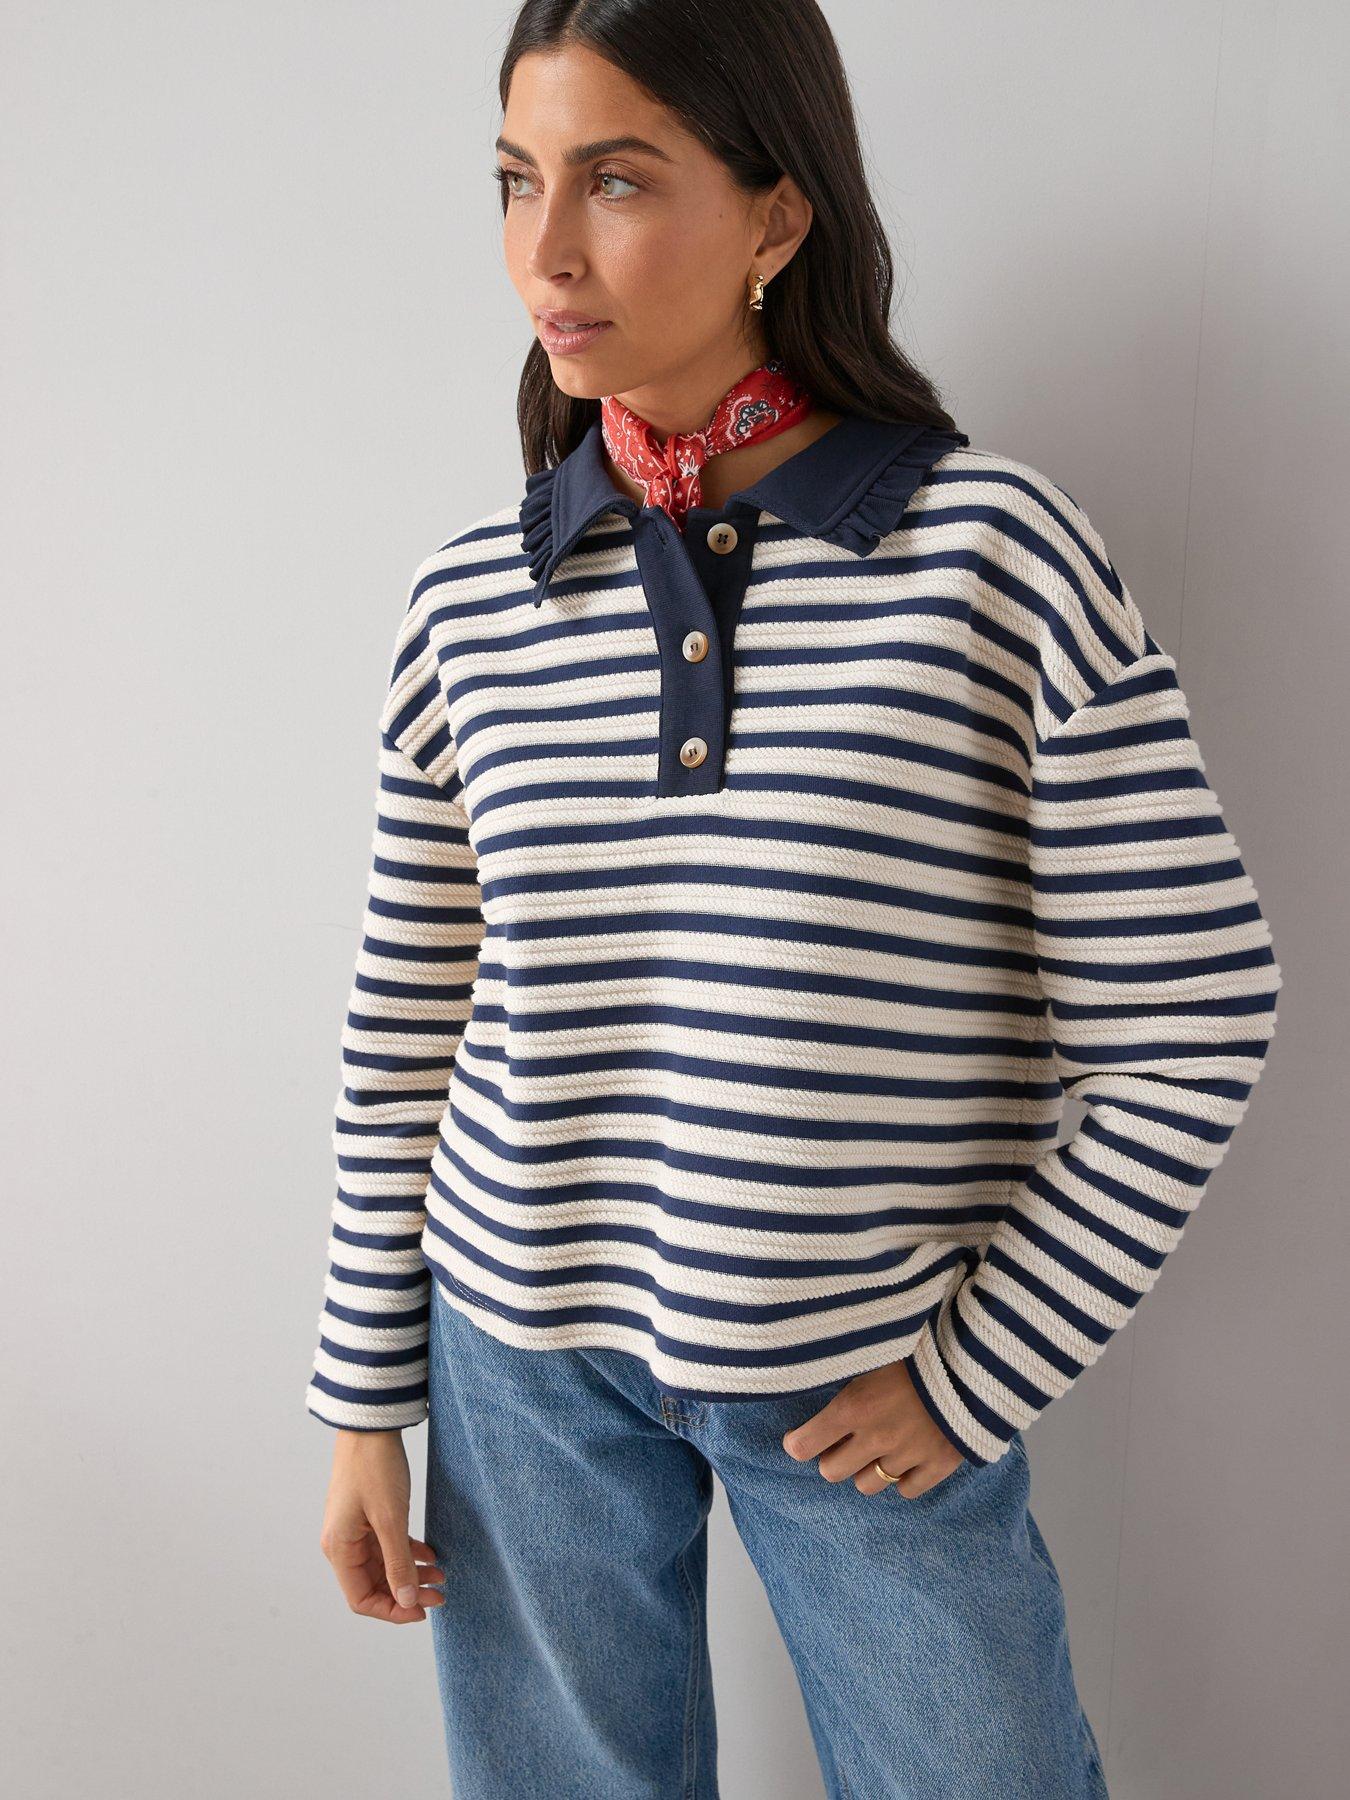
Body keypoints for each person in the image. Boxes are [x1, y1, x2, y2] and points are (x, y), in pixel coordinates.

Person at [306, 3, 1282, 1795]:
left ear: (776, 213)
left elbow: (1192, 1022)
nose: (544, 250)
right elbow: (404, 1033)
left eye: (616, 180)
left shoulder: (993, 557)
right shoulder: (471, 601)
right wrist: (367, 1396)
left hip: (863, 1374)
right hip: (513, 1360)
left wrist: (974, 1376)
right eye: (516, 180)